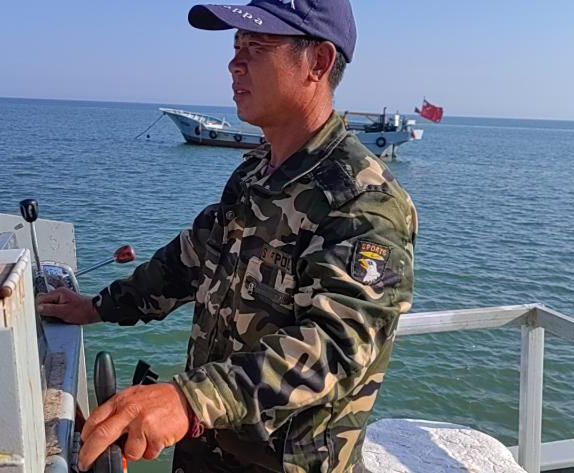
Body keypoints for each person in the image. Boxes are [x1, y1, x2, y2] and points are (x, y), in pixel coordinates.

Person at [38, 1, 418, 471]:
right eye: (236, 45)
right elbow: (189, 259)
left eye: (256, 47)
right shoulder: (256, 173)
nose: (234, 63)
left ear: (318, 62)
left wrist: (189, 400)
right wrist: (96, 307)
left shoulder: (362, 201)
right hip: (206, 452)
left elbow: (338, 347)